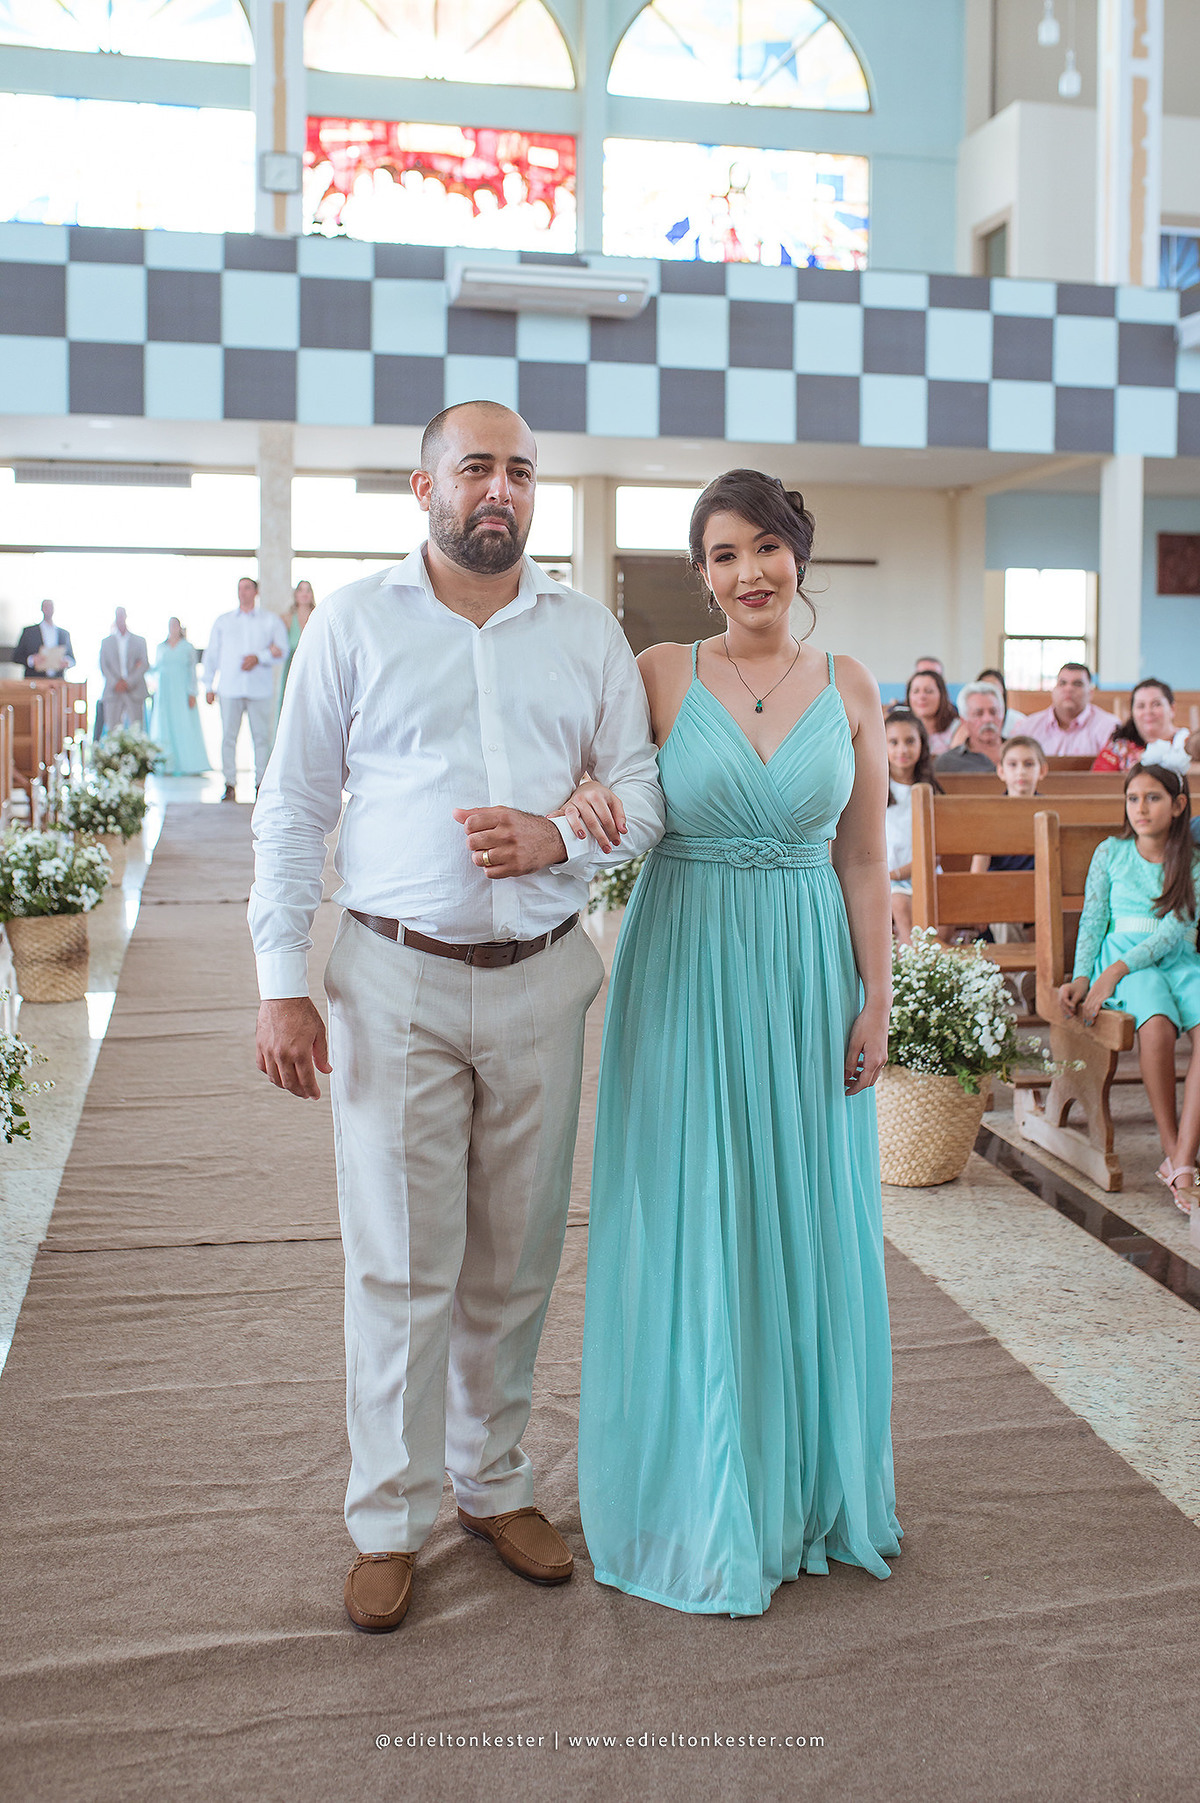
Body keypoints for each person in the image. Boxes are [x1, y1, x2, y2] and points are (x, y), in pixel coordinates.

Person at [250, 401, 664, 1635]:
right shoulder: (354, 623)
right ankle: (388, 1519)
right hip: (396, 978)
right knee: (400, 1258)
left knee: (517, 1256)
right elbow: (293, 806)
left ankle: (492, 1484)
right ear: (423, 485)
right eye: (476, 467)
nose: (500, 490)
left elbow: (642, 797)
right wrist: (280, 977)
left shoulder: (585, 631)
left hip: (543, 974)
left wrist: (558, 836)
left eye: (520, 472)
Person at [572, 468, 901, 1617]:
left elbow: (864, 858)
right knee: (695, 1209)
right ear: (701, 574)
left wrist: (877, 999)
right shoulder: (660, 673)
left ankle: (798, 1482)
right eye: (723, 554)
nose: (749, 572)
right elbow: (600, 791)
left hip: (807, 973)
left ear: (797, 553)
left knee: (800, 1211)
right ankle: (701, 1493)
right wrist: (582, 796)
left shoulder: (851, 684)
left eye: (765, 546)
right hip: (686, 967)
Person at [1059, 745, 1200, 1213]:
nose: (1141, 808)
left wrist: (1114, 972)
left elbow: (1174, 931)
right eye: (1133, 798)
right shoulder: (1111, 852)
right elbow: (1093, 919)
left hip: (1177, 959)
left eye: (1153, 798)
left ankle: (1182, 1155)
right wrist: (1084, 976)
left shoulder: (1192, 860)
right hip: (1122, 957)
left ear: (1178, 805)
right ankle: (1175, 1151)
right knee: (1156, 1026)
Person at [969, 735, 1048, 1007]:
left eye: (1029, 764)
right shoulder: (992, 813)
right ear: (1001, 771)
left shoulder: (1051, 811)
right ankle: (1022, 976)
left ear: (1042, 770)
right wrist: (977, 906)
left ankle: (1024, 981)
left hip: (1040, 897)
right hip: (1000, 904)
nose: (1021, 772)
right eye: (1013, 765)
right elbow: (978, 870)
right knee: (1003, 895)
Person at [202, 577, 287, 801]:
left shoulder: (270, 620)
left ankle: (261, 784)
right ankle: (229, 784)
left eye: (247, 588)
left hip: (260, 690)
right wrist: (208, 685)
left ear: (255, 592)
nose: (243, 592)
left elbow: (282, 650)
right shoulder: (223, 621)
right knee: (228, 738)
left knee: (261, 738)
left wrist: (260, 657)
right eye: (240, 588)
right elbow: (212, 654)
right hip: (229, 688)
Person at [884, 704, 941, 945]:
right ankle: (908, 957)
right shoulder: (876, 788)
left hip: (924, 873)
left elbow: (937, 850)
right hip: (886, 877)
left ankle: (919, 959)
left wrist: (902, 872)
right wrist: (889, 875)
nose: (902, 749)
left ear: (922, 745)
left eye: (910, 741)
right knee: (899, 903)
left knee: (940, 920)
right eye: (893, 742)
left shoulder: (930, 791)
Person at [149, 618, 209, 776]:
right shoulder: (161, 647)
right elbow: (156, 668)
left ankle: (188, 764)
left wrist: (192, 692)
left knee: (184, 724)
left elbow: (192, 671)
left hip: (181, 692)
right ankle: (167, 764)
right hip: (165, 693)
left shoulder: (187, 647)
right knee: (165, 726)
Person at [1091, 678, 1190, 772]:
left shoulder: (1188, 743)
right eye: (1141, 706)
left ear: (1172, 709)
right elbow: (1098, 780)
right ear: (1132, 712)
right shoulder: (1119, 749)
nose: (1148, 711)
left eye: (1156, 704)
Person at [1024, 663, 1119, 758]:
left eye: (1077, 684)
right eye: (1062, 683)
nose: (1068, 689)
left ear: (1090, 693)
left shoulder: (1110, 727)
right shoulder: (1028, 726)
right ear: (1054, 690)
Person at [934, 681, 1004, 772]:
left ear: (1002, 715)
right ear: (964, 721)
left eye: (993, 712)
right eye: (979, 714)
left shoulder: (1020, 752)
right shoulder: (947, 762)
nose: (988, 719)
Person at [99, 607, 149, 732]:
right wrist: (116, 682)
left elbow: (144, 664)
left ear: (126, 616)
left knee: (137, 731)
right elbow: (104, 666)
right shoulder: (106, 642)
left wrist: (128, 682)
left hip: (134, 690)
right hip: (113, 691)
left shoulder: (139, 641)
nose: (120, 618)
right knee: (113, 731)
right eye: (117, 615)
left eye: (122, 615)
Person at [277, 579, 317, 719]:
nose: (304, 594)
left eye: (308, 590)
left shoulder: (318, 616)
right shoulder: (286, 618)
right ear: (295, 594)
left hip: (313, 667)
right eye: (301, 590)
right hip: (292, 668)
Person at [13, 599, 74, 678]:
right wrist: (32, 660)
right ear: (42, 609)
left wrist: (67, 662)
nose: (48, 609)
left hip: (57, 680)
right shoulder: (29, 632)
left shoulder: (64, 634)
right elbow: (16, 657)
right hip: (34, 679)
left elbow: (72, 659)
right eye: (46, 607)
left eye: (50, 607)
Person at [904, 669, 958, 754]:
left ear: (942, 695)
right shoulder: (900, 727)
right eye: (916, 691)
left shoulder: (957, 728)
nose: (922, 697)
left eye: (929, 691)